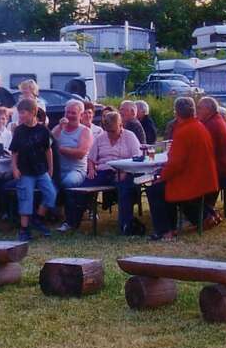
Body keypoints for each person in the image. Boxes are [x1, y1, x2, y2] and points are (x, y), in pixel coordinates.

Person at [146, 97, 218, 240]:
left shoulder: (183, 131)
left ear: (176, 112)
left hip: (190, 180)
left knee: (154, 189)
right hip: (203, 177)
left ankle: (165, 231)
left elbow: (175, 164)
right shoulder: (200, 126)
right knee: (163, 187)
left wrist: (162, 177)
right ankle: (205, 216)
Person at [65, 111, 142, 234]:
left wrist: (126, 171)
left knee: (125, 191)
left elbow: (137, 157)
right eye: (108, 131)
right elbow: (91, 157)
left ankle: (125, 226)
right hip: (103, 171)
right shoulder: (101, 138)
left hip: (123, 171)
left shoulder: (129, 136)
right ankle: (71, 223)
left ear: (120, 125)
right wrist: (91, 169)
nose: (110, 134)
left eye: (113, 131)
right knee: (79, 190)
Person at [10, 98, 56, 241]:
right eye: (19, 113)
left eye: (23, 113)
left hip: (41, 170)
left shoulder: (43, 131)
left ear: (33, 112)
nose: (21, 116)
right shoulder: (19, 131)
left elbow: (48, 151)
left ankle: (37, 218)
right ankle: (24, 230)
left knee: (51, 194)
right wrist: (15, 168)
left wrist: (50, 169)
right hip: (25, 171)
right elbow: (14, 152)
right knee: (26, 197)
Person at [52, 100, 93, 232]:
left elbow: (81, 153)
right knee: (44, 182)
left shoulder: (85, 131)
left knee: (68, 182)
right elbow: (47, 144)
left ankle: (70, 222)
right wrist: (59, 128)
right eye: (67, 112)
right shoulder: (58, 129)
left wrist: (61, 149)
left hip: (76, 171)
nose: (69, 115)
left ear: (81, 115)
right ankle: (46, 217)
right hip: (57, 170)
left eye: (73, 113)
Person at [198, 97, 226, 226]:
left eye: (200, 108)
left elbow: (203, 153)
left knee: (182, 181)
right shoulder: (217, 120)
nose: (197, 111)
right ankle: (207, 211)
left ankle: (205, 215)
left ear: (208, 110)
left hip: (221, 174)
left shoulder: (211, 126)